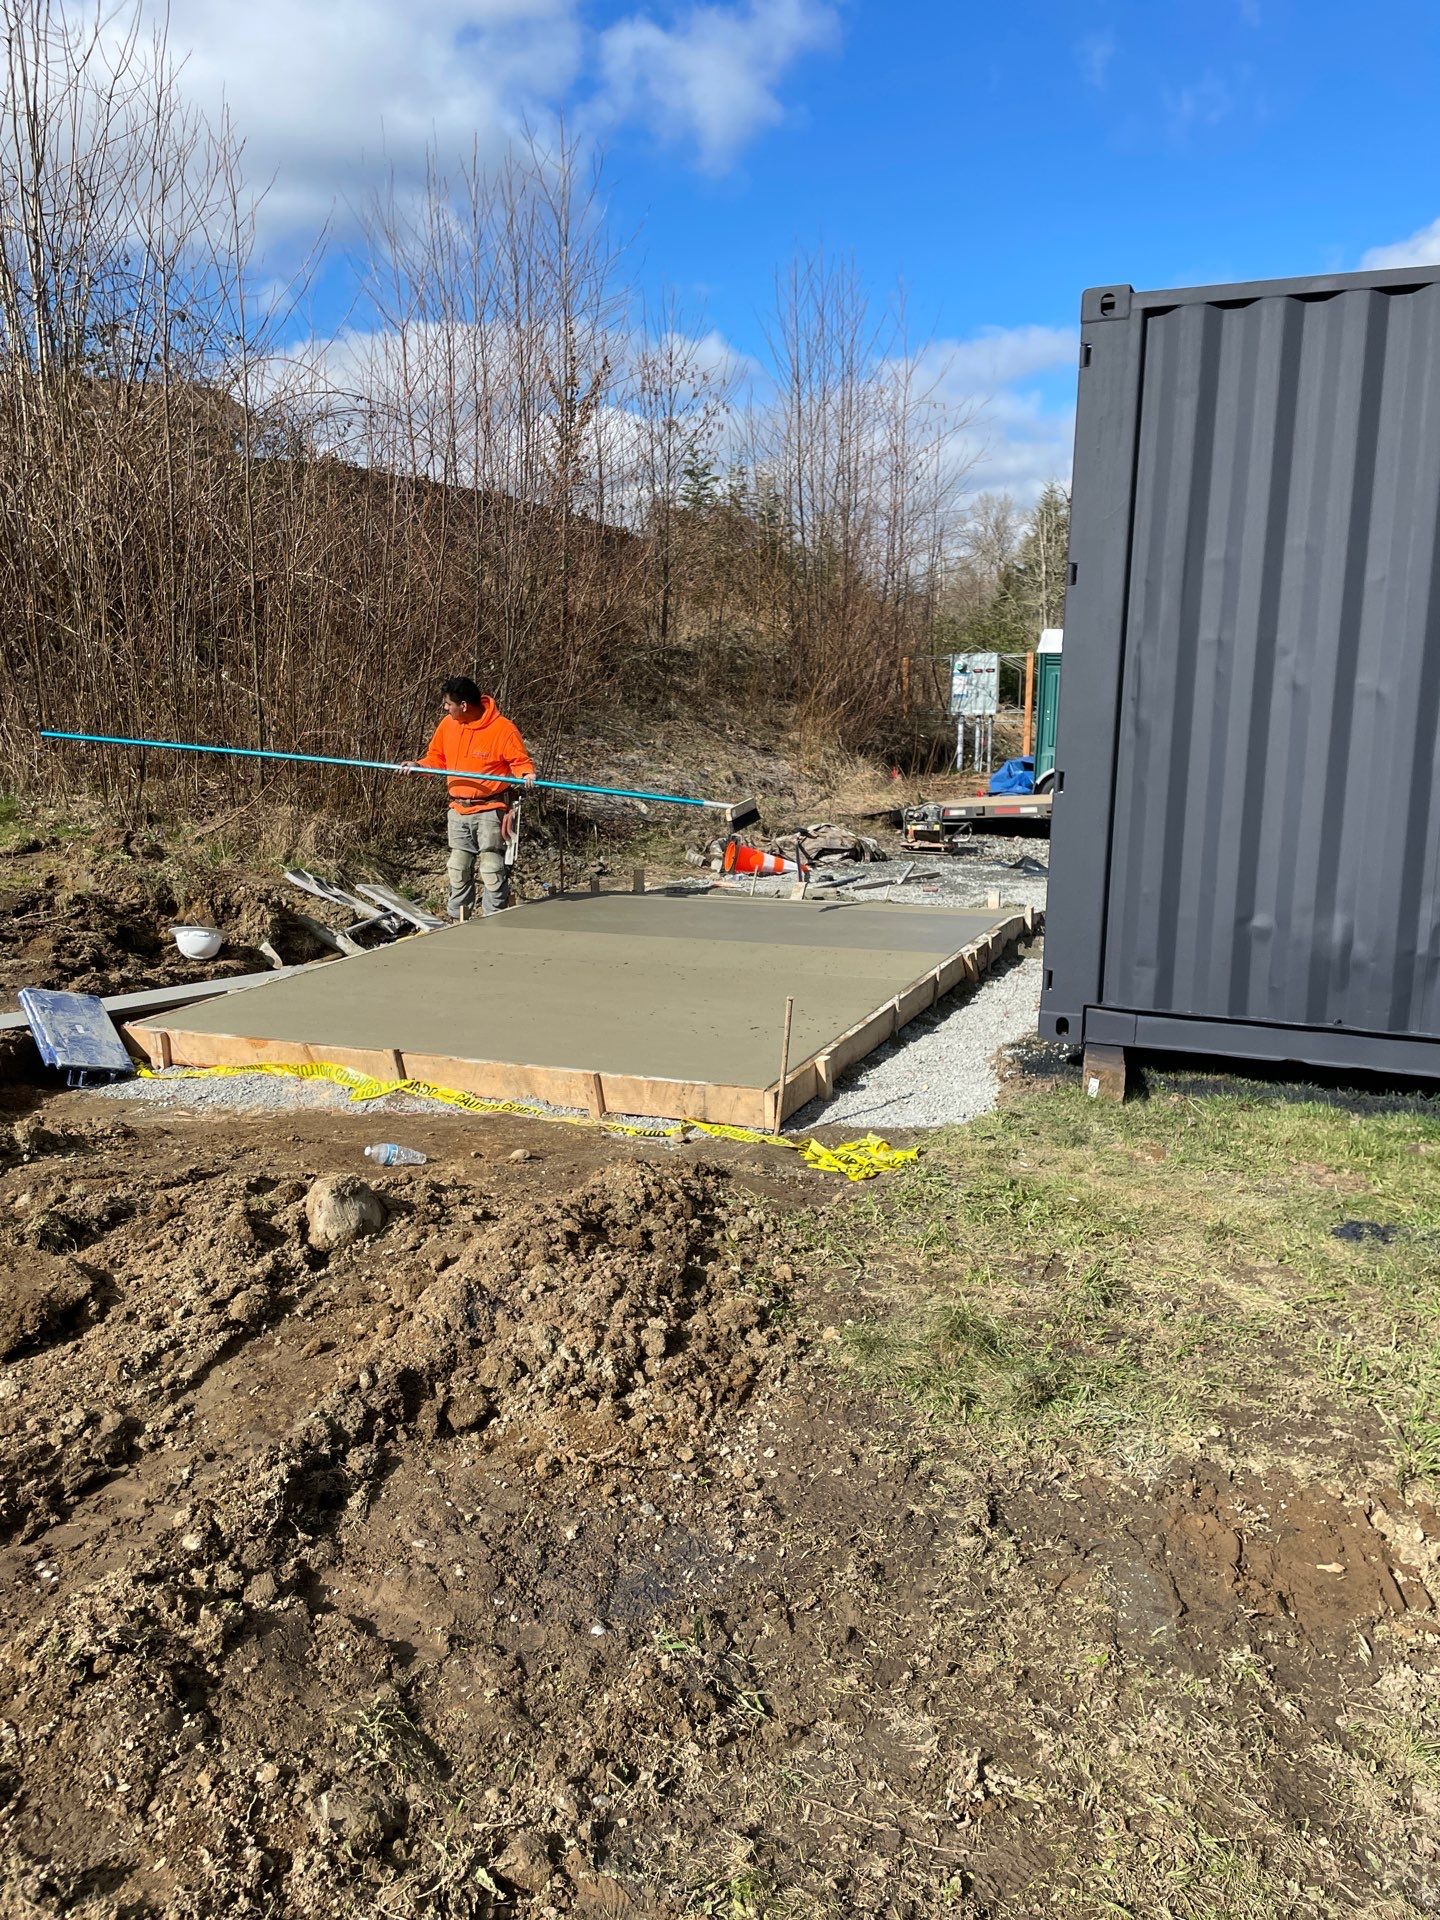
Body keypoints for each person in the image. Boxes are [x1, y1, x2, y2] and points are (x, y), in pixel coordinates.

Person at [405, 677, 536, 918]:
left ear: (463, 705)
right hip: (458, 809)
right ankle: (458, 918)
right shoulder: (447, 725)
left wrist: (526, 774)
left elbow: (519, 761)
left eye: (448, 704)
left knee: (491, 868)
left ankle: (495, 919)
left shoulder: (503, 729)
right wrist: (419, 766)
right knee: (458, 867)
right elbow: (437, 758)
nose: (445, 708)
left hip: (490, 808)